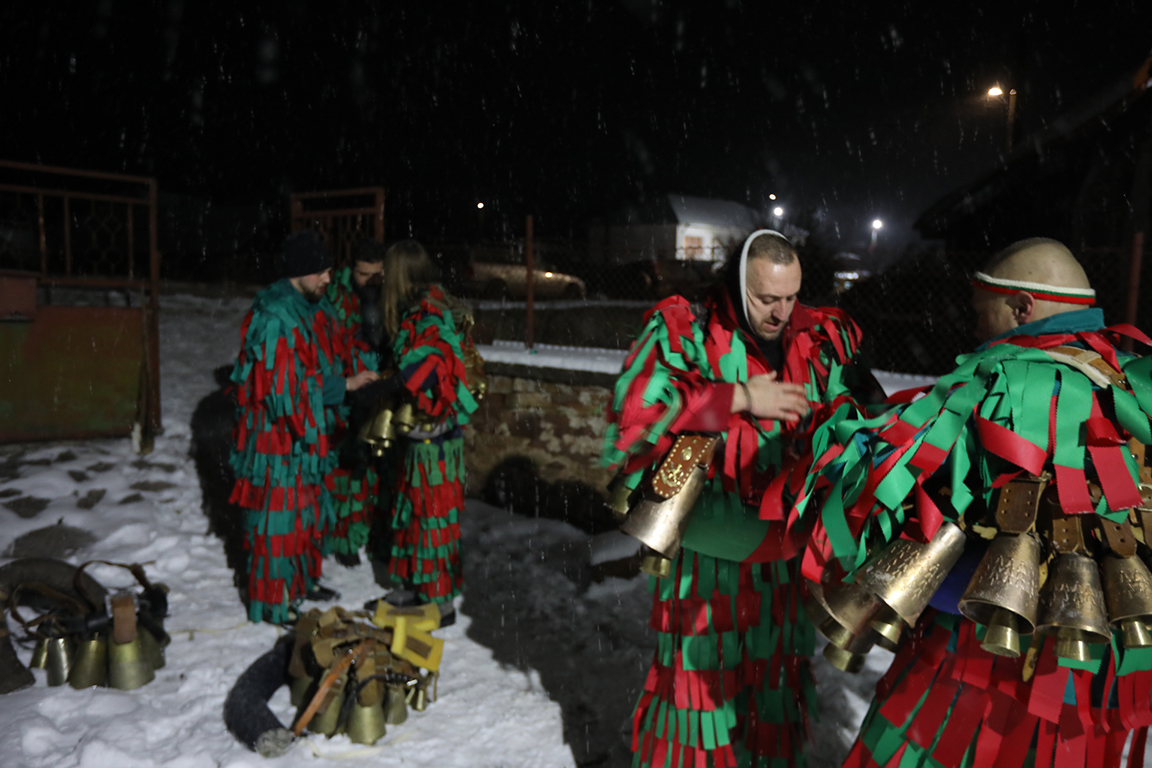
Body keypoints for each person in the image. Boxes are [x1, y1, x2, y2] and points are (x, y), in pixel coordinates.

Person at [803, 238, 1152, 768]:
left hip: (978, 666)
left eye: (980, 308)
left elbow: (885, 496)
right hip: (1101, 687)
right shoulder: (1139, 387)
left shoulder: (999, 380)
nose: (974, 325)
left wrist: (842, 423)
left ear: (1022, 307)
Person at [603, 230, 883, 768]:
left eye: (790, 297)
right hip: (706, 559)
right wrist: (738, 397)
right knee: (695, 690)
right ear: (736, 283)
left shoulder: (822, 337)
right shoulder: (686, 330)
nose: (781, 312)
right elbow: (634, 414)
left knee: (774, 686)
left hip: (784, 558)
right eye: (766, 298)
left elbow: (866, 410)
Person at [228, 231, 378, 624]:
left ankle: (302, 582)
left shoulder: (307, 306)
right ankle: (276, 604)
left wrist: (345, 384)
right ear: (300, 272)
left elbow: (309, 373)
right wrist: (338, 389)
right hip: (278, 443)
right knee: (278, 522)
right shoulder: (276, 317)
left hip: (307, 438)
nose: (329, 279)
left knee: (306, 517)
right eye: (322, 272)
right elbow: (286, 394)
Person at [374, 239, 479, 622]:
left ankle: (440, 602)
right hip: (422, 433)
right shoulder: (421, 310)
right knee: (412, 512)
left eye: (388, 270)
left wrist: (379, 385)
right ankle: (413, 587)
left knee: (431, 515)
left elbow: (427, 370)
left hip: (434, 437)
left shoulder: (428, 316)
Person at [322, 238, 386, 567]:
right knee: (345, 475)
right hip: (344, 400)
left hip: (379, 398)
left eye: (378, 274)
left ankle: (365, 533)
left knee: (373, 473)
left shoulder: (388, 294)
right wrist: (346, 383)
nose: (371, 281)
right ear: (350, 270)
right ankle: (342, 539)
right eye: (364, 274)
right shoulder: (333, 298)